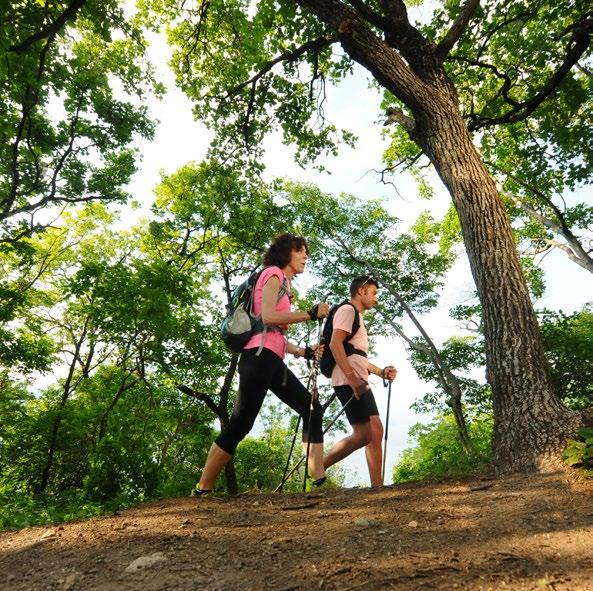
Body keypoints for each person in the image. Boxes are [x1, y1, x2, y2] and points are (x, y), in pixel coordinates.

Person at [194, 233, 330, 495]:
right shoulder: (273, 274)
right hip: (258, 359)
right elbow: (268, 317)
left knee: (311, 407)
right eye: (301, 250)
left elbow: (273, 333)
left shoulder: (284, 283)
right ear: (286, 252)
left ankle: (318, 479)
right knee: (241, 424)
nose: (305, 256)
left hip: (271, 359)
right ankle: (203, 488)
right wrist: (311, 314)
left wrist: (304, 352)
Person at [323, 275, 397, 487]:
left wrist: (380, 372)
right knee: (366, 432)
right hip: (349, 379)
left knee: (372, 430)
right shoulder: (348, 310)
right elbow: (335, 344)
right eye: (374, 293)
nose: (376, 298)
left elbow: (357, 356)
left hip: (357, 377)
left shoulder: (357, 317)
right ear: (361, 291)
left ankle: (377, 485)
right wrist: (353, 379)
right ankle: (319, 466)